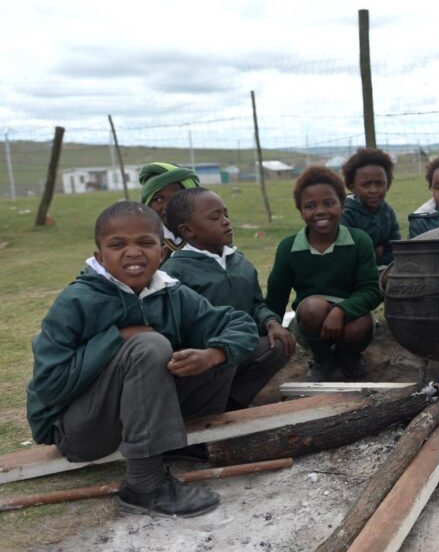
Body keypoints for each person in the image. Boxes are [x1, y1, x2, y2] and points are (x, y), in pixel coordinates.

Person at [27, 201, 258, 517]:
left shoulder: (171, 293)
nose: (133, 252)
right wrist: (118, 339)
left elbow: (239, 324)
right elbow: (50, 386)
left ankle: (183, 446)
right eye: (118, 245)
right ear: (100, 257)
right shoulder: (76, 301)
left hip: (139, 418)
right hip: (81, 432)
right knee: (149, 346)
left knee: (219, 351)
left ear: (162, 253)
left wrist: (212, 355)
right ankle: (144, 485)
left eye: (145, 243)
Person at [162, 188, 296, 411]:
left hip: (238, 348)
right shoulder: (174, 271)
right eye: (215, 217)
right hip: (205, 356)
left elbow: (255, 305)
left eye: (226, 215)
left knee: (279, 344)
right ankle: (201, 407)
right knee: (220, 364)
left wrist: (271, 322)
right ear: (188, 231)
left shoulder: (240, 262)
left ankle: (232, 403)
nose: (226, 222)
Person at [266, 165, 383, 381]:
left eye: (328, 203)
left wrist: (341, 311)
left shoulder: (359, 241)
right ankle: (322, 359)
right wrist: (269, 324)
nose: (320, 211)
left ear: (342, 204)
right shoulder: (289, 248)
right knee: (312, 307)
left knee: (361, 323)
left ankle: (348, 356)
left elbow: (372, 290)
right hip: (310, 324)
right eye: (310, 206)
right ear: (300, 211)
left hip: (352, 320)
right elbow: (275, 299)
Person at [340, 148, 401, 267]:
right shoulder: (346, 214)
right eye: (366, 184)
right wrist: (375, 252)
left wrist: (381, 264)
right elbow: (349, 256)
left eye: (380, 183)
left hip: (385, 270)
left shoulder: (388, 213)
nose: (374, 190)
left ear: (387, 184)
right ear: (352, 186)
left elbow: (395, 249)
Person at [138, 162, 201, 260]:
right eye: (158, 199)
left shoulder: (209, 235)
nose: (168, 206)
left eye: (176, 197)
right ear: (148, 205)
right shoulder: (143, 244)